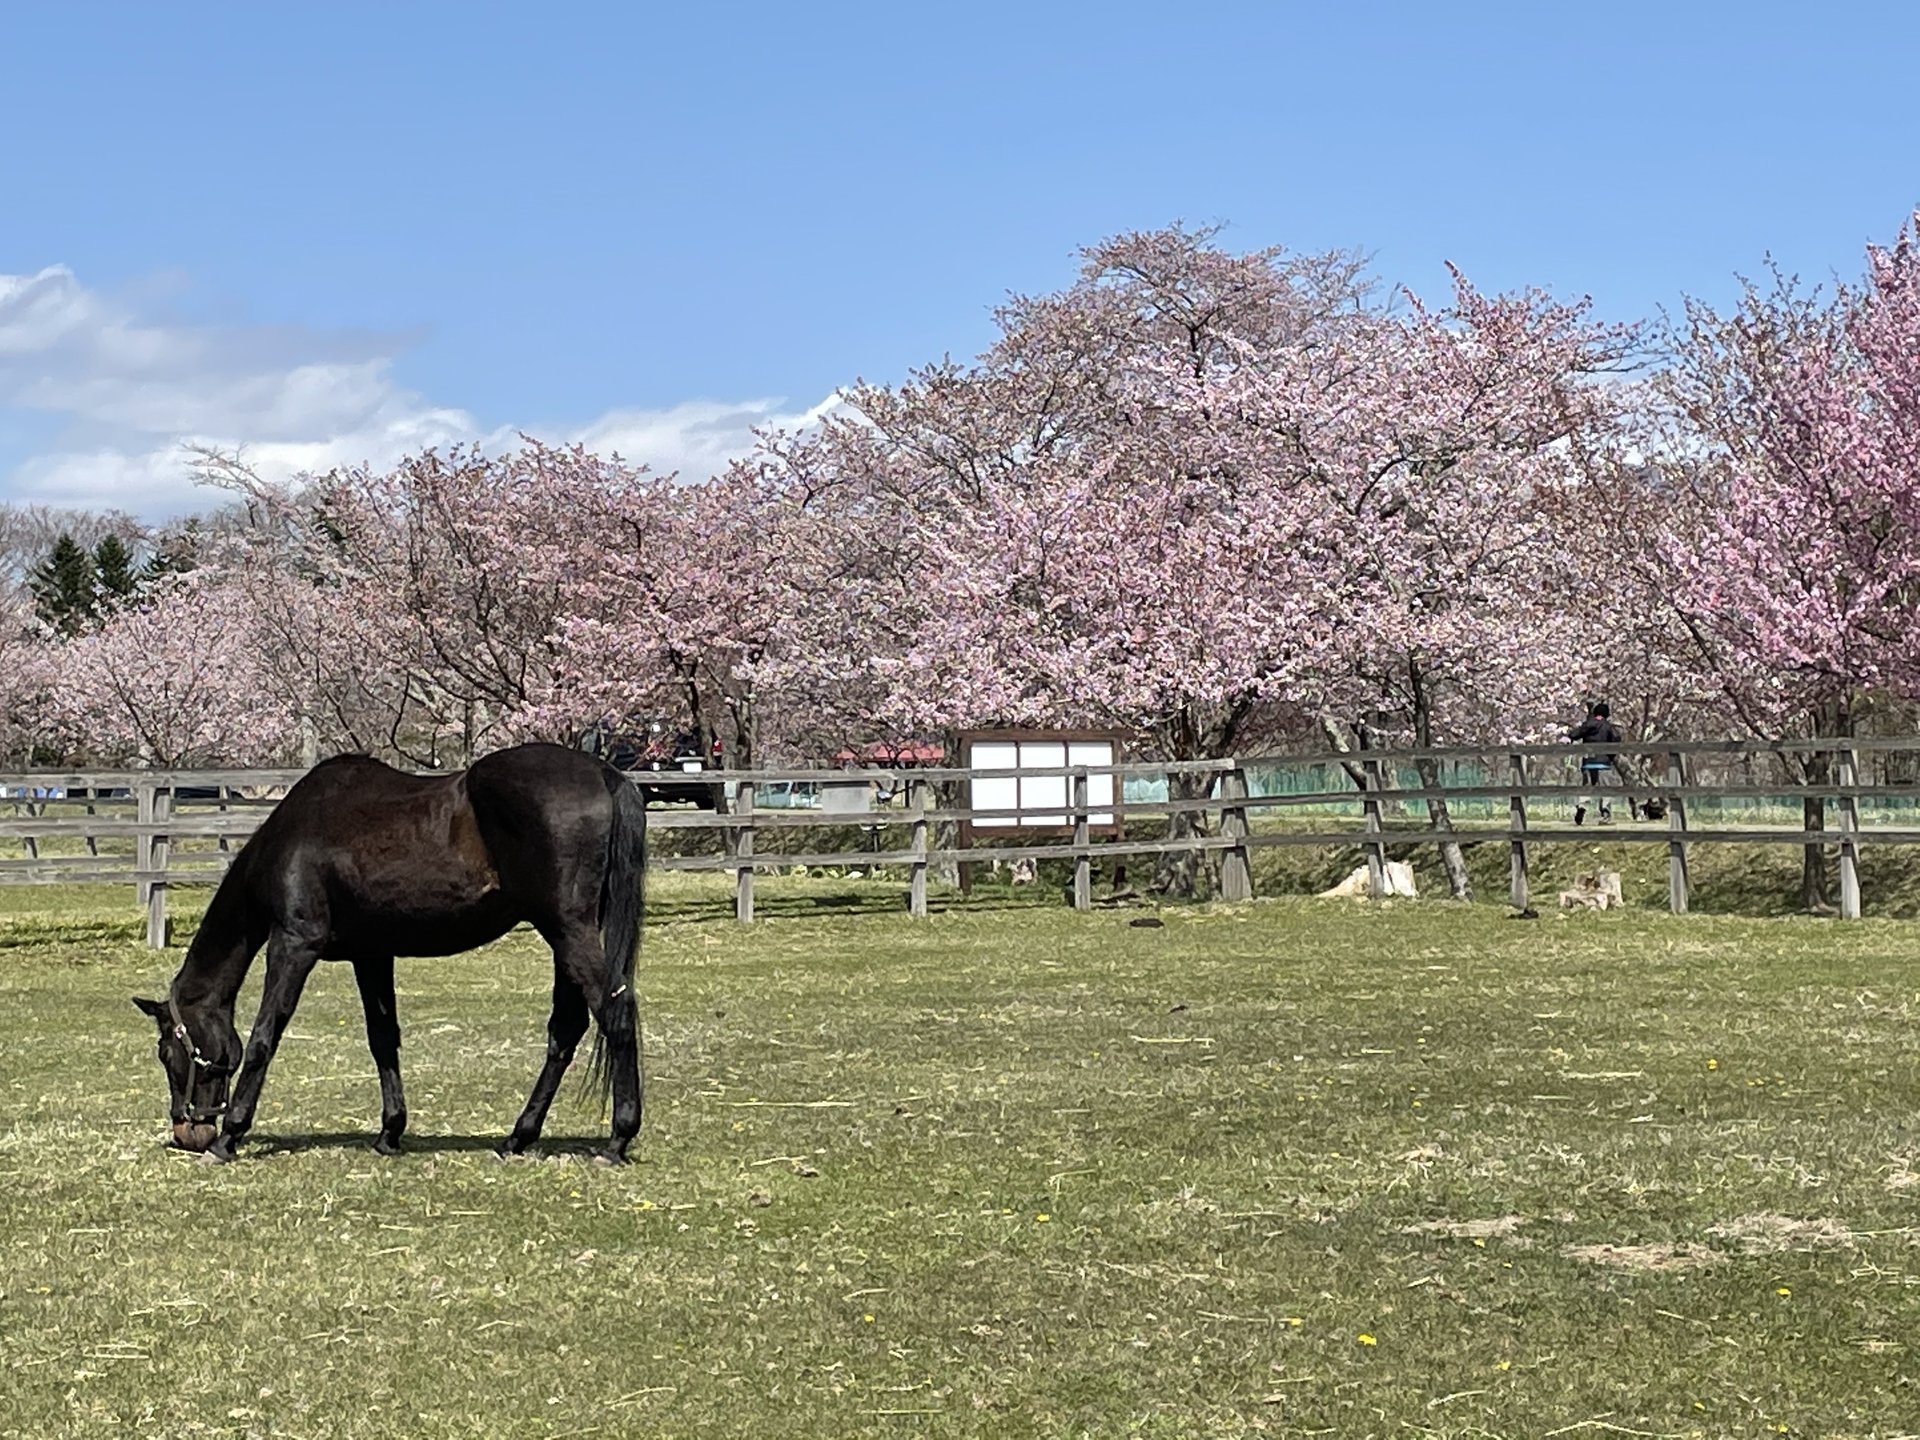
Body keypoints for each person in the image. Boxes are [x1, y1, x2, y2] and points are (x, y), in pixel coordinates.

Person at [1566, 700, 1623, 825]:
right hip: (1603, 762)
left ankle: (1582, 806)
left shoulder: (1588, 724)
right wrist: (1611, 756)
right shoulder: (1608, 727)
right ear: (1606, 714)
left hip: (1589, 760)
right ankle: (1605, 814)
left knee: (1587, 787)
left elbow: (1574, 734)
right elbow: (1616, 740)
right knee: (1606, 789)